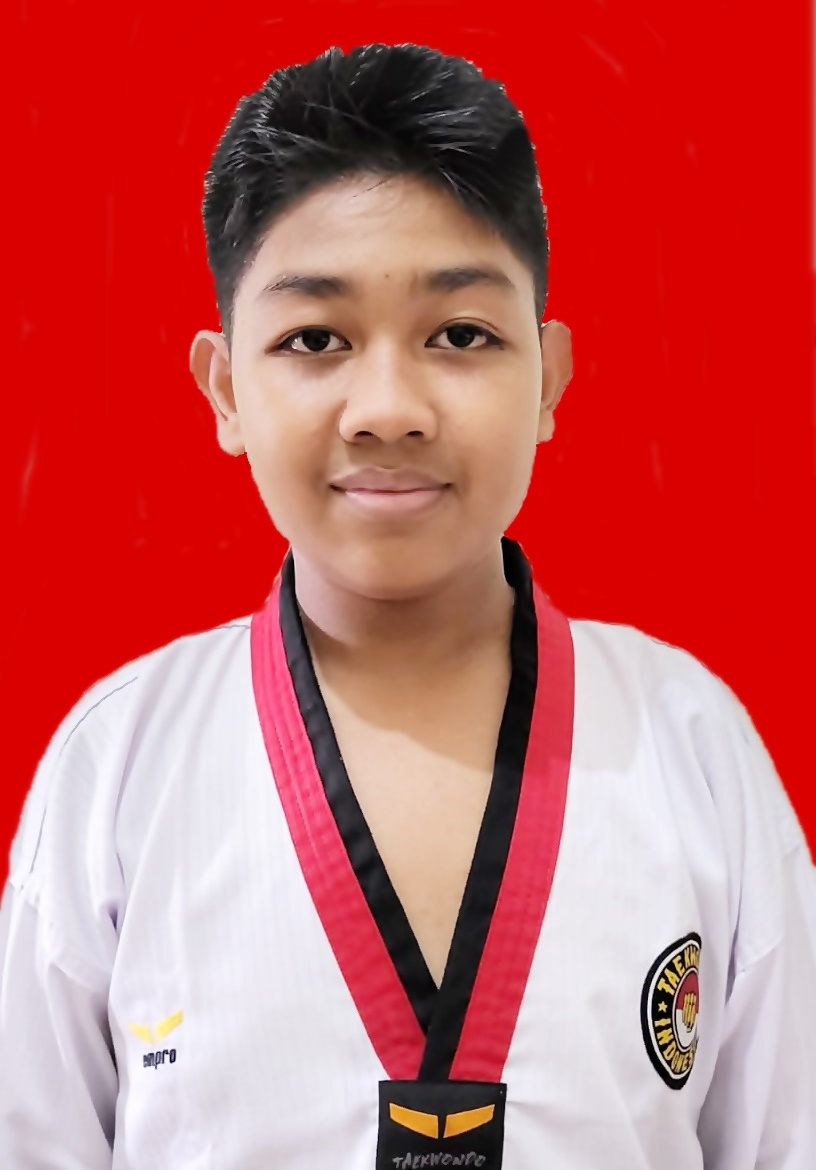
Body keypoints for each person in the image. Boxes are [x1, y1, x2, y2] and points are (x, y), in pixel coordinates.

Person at [1, 42, 814, 1170]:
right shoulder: (117, 765)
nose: (387, 408)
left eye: (461, 335)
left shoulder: (695, 747)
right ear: (226, 388)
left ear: (550, 377)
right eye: (315, 340)